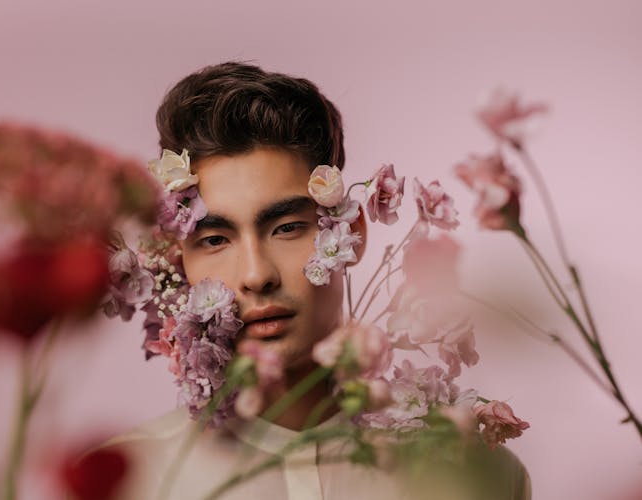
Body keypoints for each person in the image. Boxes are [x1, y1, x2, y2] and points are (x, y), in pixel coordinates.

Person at [101, 62, 530, 500]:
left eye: (287, 228)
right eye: (215, 239)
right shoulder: (128, 481)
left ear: (352, 234)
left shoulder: (471, 473)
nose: (257, 275)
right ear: (179, 262)